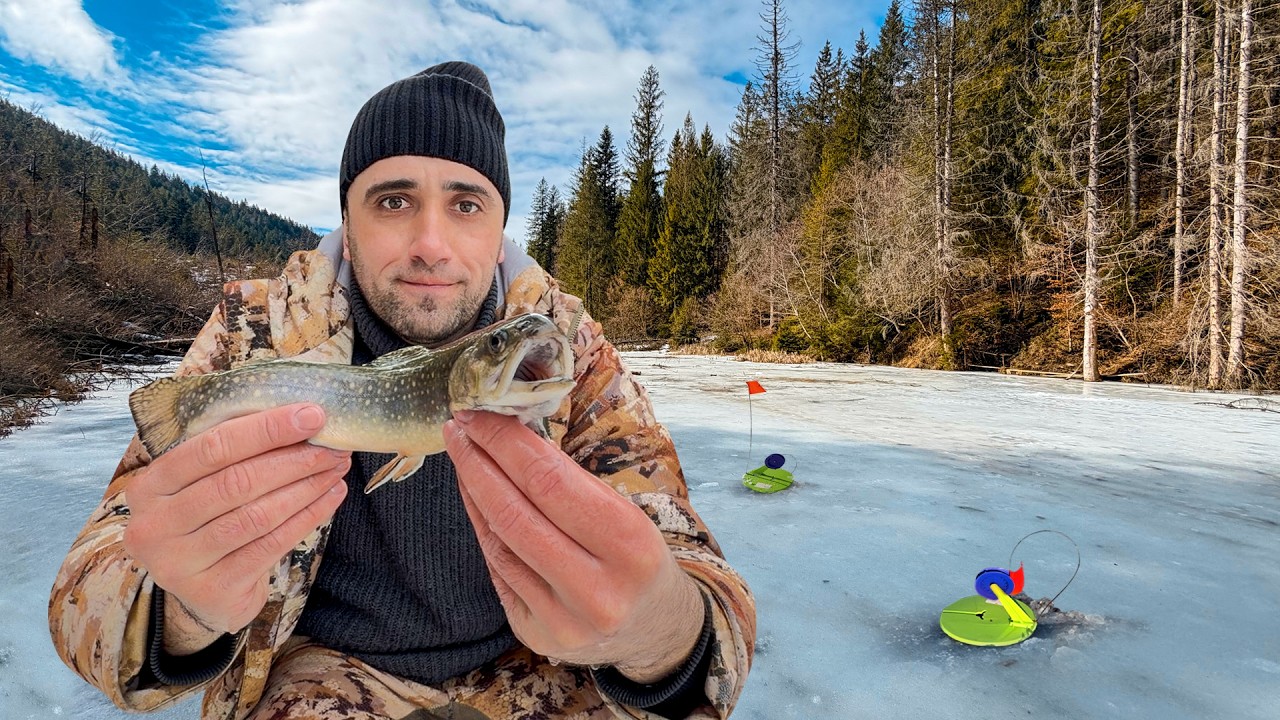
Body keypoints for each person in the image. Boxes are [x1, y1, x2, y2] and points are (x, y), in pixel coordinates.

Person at [48, 61, 755, 720]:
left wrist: (659, 630)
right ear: (348, 231)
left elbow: (693, 567)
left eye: (466, 205)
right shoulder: (250, 331)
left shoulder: (565, 347)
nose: (431, 244)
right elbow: (90, 581)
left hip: (542, 674)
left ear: (500, 228)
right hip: (309, 678)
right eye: (393, 201)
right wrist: (179, 609)